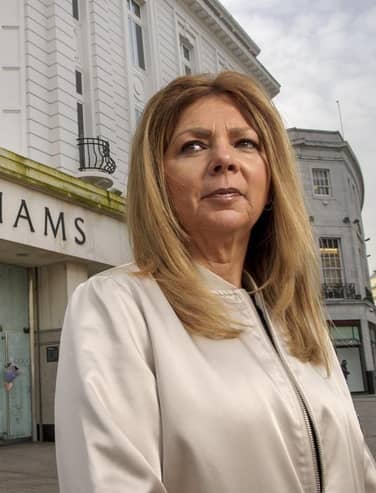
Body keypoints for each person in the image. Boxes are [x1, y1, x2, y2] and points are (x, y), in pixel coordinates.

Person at [54, 71, 376, 492]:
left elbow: (358, 469)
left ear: (270, 176)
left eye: (246, 143)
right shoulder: (116, 306)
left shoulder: (297, 317)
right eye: (194, 145)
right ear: (159, 181)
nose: (225, 159)